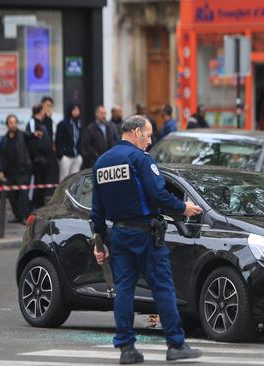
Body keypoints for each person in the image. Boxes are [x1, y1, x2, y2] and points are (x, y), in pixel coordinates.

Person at [91, 115, 203, 364]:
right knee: (163, 287)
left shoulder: (101, 163)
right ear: (134, 131)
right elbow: (157, 194)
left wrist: (101, 242)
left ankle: (127, 349)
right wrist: (182, 208)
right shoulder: (138, 159)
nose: (150, 141)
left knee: (124, 291)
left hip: (119, 235)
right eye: (148, 135)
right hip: (145, 234)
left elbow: (96, 210)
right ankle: (176, 344)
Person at [0, 114, 40, 224]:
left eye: (14, 122)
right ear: (7, 124)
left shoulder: (22, 135)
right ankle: (17, 215)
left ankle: (24, 216)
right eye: (10, 122)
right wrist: (1, 170)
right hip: (10, 171)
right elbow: (2, 156)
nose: (13, 124)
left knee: (23, 194)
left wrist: (35, 134)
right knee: (12, 196)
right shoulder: (4, 139)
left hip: (23, 170)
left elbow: (30, 135)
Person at [26, 104, 53, 209]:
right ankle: (31, 208)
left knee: (42, 187)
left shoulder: (42, 123)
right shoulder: (32, 122)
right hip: (37, 161)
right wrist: (36, 157)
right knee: (35, 187)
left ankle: (40, 208)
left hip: (44, 160)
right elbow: (32, 140)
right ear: (40, 111)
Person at [56, 103, 83, 181]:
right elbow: (58, 140)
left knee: (75, 179)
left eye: (78, 109)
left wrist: (80, 153)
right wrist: (61, 155)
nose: (77, 111)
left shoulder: (79, 124)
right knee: (64, 179)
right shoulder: (63, 124)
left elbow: (80, 139)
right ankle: (63, 193)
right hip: (66, 156)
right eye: (74, 109)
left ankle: (73, 193)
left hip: (77, 156)